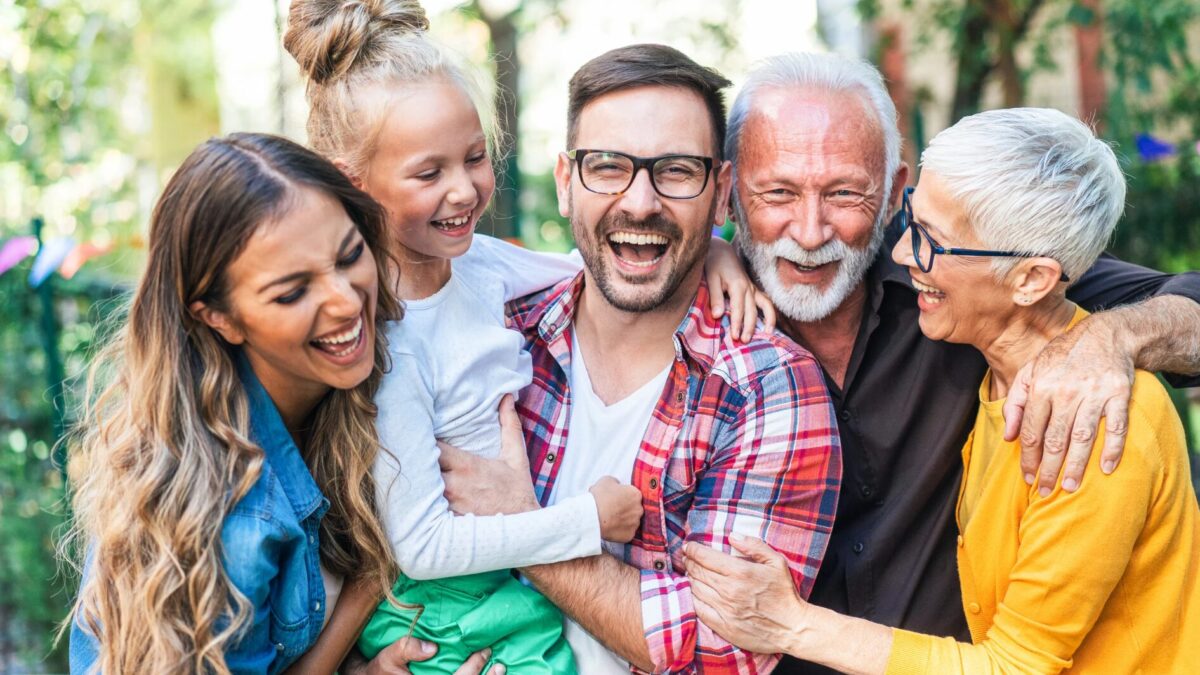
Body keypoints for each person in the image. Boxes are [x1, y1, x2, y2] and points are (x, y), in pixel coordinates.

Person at [282, 5, 772, 673]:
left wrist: (714, 251)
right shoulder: (387, 339)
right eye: (429, 174)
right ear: (354, 183)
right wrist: (585, 520)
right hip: (442, 601)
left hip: (497, 583)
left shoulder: (479, 265)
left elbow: (603, 265)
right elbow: (421, 545)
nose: (464, 189)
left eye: (475, 157)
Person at [708, 52, 1200, 673]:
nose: (808, 231)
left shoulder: (1017, 320)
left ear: (890, 191)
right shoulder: (698, 315)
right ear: (729, 191)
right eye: (776, 192)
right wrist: (708, 250)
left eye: (844, 193)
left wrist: (1115, 336)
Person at [437, 44, 842, 674]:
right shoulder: (494, 332)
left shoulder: (767, 384)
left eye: (676, 170)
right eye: (608, 166)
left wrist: (520, 524)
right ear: (566, 183)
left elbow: (722, 651)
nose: (640, 201)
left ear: (721, 190)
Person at [64, 133, 415, 674]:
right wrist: (373, 579)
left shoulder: (339, 382)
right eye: (292, 292)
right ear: (217, 316)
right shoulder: (232, 517)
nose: (347, 301)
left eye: (349, 255)